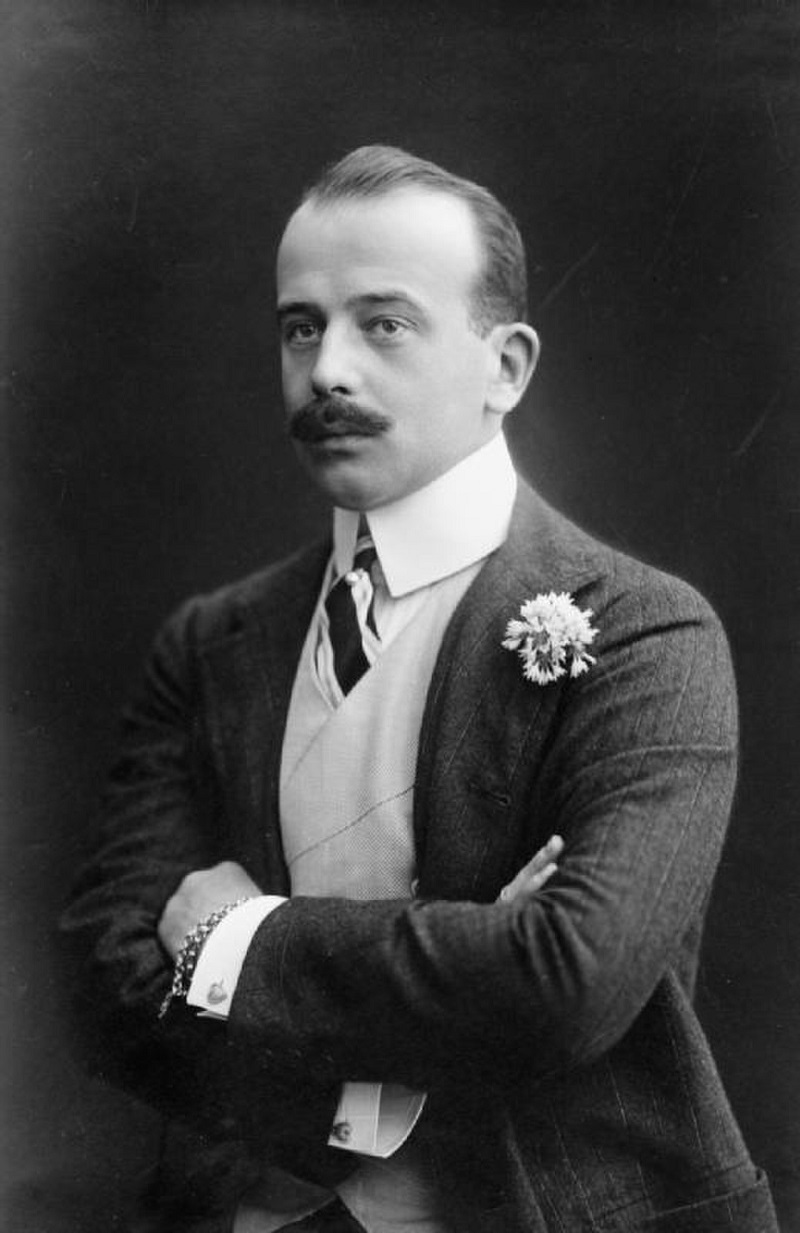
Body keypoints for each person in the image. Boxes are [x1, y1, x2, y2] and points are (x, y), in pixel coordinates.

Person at [61, 146, 778, 1233]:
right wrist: (446, 982)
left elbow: (562, 981)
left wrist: (233, 942)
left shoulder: (646, 631)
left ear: (506, 367)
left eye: (383, 324)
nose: (327, 372)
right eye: (300, 328)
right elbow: (104, 978)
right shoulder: (213, 643)